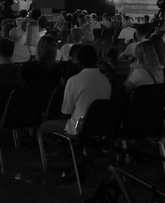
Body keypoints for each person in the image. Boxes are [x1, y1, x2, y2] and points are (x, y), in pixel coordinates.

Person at [38, 45, 112, 181]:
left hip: (79, 126)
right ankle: (77, 159)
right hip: (100, 127)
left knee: (45, 128)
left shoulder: (74, 80)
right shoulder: (105, 80)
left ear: (79, 61)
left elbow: (66, 112)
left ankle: (73, 161)